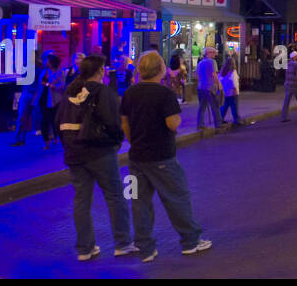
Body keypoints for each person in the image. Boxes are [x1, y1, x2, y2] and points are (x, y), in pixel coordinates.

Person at [120, 51, 211, 261]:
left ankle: (145, 248)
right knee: (177, 197)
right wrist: (177, 122)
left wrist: (134, 141)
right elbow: (172, 123)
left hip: (135, 159)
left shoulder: (129, 93)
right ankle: (191, 241)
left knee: (138, 202)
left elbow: (125, 124)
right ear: (160, 69)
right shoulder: (165, 94)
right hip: (162, 156)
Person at [57, 54, 135, 261]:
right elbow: (112, 121)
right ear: (100, 71)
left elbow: (59, 121)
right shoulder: (102, 92)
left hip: (74, 153)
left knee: (82, 200)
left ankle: (85, 248)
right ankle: (123, 242)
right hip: (99, 151)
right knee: (115, 196)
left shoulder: (70, 92)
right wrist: (117, 141)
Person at [12, 47, 45, 146]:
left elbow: (41, 82)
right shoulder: (25, 66)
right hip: (26, 93)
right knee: (22, 117)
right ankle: (19, 139)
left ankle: (47, 138)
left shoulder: (40, 67)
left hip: (36, 93)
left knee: (40, 116)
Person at [38, 53, 65, 150]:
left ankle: (56, 137)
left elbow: (61, 86)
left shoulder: (60, 72)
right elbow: (39, 83)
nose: (45, 62)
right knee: (44, 120)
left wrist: (48, 85)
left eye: (47, 60)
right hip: (43, 98)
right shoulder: (44, 71)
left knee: (55, 120)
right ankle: (46, 142)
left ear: (52, 62)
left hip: (54, 99)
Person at [194, 46, 223, 132]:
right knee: (215, 106)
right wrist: (218, 84)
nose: (215, 54)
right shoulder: (212, 62)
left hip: (201, 87)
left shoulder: (200, 63)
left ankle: (200, 124)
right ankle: (218, 124)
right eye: (213, 52)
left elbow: (196, 75)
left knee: (202, 107)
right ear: (208, 53)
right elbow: (214, 74)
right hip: (209, 87)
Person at [219, 54, 244, 127]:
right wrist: (235, 89)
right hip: (232, 92)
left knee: (224, 106)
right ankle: (237, 120)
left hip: (225, 91)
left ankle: (220, 119)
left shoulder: (223, 71)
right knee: (234, 107)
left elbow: (220, 79)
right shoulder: (233, 71)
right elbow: (234, 81)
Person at [281, 51, 297, 122]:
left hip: (287, 84)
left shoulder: (288, 64)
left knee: (286, 101)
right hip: (295, 84)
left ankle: (284, 117)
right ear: (294, 57)